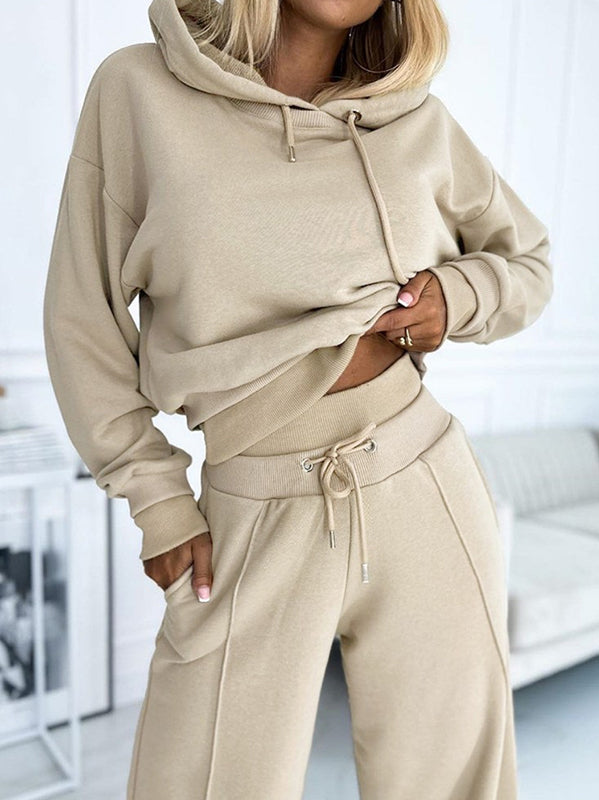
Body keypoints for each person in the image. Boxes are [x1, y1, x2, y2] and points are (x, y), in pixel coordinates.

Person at [42, 0, 554, 797]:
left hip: (425, 478)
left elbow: (527, 261)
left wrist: (458, 297)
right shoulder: (137, 92)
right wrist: (158, 502)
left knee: (452, 784)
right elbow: (83, 321)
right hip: (252, 506)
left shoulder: (415, 118)